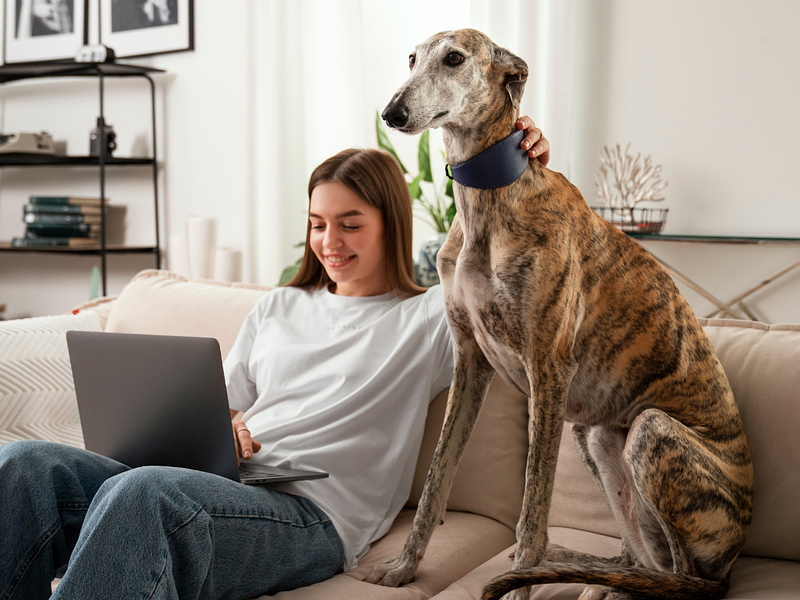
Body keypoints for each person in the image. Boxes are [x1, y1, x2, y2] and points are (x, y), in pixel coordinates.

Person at [0, 117, 549, 600]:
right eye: (317, 223)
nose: (329, 240)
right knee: (24, 465)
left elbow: (519, 269)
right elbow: (214, 408)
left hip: (313, 517)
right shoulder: (280, 306)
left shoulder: (429, 317)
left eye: (350, 223)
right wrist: (225, 430)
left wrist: (521, 174)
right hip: (228, 484)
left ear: (392, 223)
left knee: (143, 492)